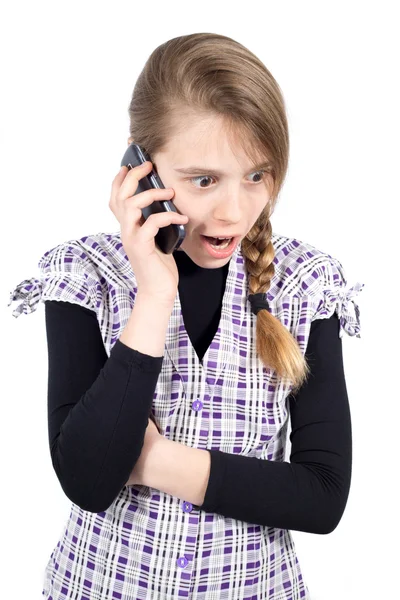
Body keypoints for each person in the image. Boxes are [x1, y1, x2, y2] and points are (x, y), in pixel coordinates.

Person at [8, 32, 364, 600]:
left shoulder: (306, 284)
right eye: (204, 180)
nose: (236, 210)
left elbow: (321, 498)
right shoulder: (86, 274)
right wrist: (153, 294)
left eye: (257, 175)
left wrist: (151, 459)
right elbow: (88, 478)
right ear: (140, 166)